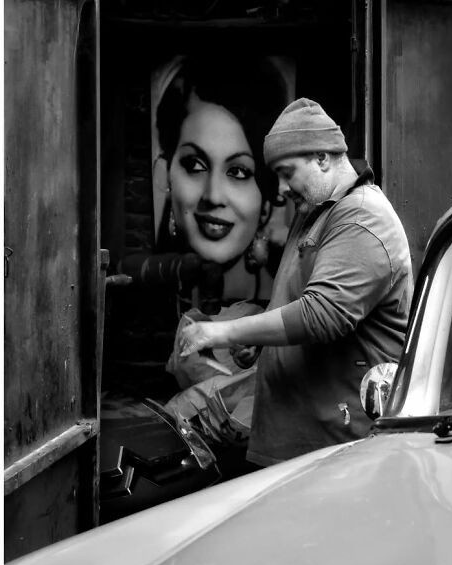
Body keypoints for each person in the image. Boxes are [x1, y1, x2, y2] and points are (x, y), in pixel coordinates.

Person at [176, 97, 413, 465]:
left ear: (322, 158)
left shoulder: (362, 218)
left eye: (287, 173)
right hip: (299, 441)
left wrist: (221, 333)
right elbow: (297, 294)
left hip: (338, 450)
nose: (282, 188)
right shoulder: (316, 211)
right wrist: (259, 341)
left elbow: (321, 314)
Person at [154, 55, 290, 308]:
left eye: (238, 171)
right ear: (166, 173)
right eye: (195, 165)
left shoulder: (291, 305)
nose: (213, 196)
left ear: (266, 190)